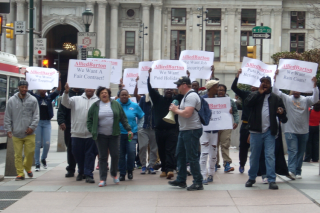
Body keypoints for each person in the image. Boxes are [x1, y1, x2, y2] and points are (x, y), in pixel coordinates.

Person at [273, 70, 319, 179]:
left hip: (304, 131)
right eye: (294, 89)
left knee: (300, 152)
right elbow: (276, 91)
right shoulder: (287, 99)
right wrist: (276, 79)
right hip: (290, 130)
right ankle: (291, 171)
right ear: (291, 90)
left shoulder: (306, 100)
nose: (296, 91)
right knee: (292, 151)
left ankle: (298, 171)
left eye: (299, 89)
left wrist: (314, 85)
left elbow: (315, 98)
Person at [245, 76, 287, 190]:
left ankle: (271, 180)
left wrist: (281, 112)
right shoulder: (255, 95)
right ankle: (252, 178)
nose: (265, 84)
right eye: (263, 82)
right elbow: (247, 104)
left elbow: (284, 117)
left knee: (270, 156)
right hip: (255, 131)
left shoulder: (276, 98)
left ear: (271, 84)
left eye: (267, 82)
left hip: (270, 132)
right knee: (254, 156)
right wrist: (258, 93)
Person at [87, 87, 133, 187]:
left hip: (114, 135)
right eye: (102, 93)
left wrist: (128, 129)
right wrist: (92, 130)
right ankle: (103, 179)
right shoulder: (95, 106)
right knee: (103, 157)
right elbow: (89, 120)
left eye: (106, 93)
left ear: (108, 94)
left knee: (116, 155)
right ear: (99, 95)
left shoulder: (116, 104)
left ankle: (114, 174)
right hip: (101, 136)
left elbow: (123, 118)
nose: (104, 94)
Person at [168, 76, 203, 191]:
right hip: (185, 130)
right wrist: (178, 109)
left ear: (184, 85)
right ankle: (181, 179)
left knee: (192, 157)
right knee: (180, 155)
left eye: (178, 85)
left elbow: (187, 113)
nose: (177, 87)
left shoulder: (191, 96)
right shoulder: (186, 96)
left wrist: (175, 110)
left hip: (191, 130)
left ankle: (198, 182)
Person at [147, 69, 183, 179]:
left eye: (170, 89)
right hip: (159, 131)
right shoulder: (158, 99)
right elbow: (151, 89)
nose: (168, 91)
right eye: (166, 89)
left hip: (172, 130)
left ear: (173, 91)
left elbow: (183, 92)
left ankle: (170, 169)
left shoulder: (176, 100)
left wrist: (186, 77)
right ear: (164, 91)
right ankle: (163, 169)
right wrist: (150, 76)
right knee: (161, 150)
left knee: (170, 150)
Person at [61, 83, 99, 183]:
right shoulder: (75, 99)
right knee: (77, 154)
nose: (89, 89)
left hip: (92, 134)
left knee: (90, 155)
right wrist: (66, 92)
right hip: (77, 133)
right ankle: (81, 171)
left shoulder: (99, 101)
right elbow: (65, 103)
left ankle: (89, 174)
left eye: (91, 87)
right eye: (87, 87)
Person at [4, 80, 39, 181]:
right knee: (17, 155)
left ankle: (27, 168)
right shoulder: (11, 100)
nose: (24, 89)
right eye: (22, 87)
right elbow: (7, 116)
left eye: (26, 87)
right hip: (16, 133)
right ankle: (20, 173)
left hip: (30, 133)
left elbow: (36, 115)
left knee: (30, 152)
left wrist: (32, 127)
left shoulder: (33, 100)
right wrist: (8, 129)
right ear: (18, 87)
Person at [27, 72, 61, 171]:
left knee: (47, 143)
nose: (43, 90)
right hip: (37, 122)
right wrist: (27, 77)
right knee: (37, 143)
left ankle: (43, 159)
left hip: (47, 122)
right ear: (38, 89)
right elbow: (29, 91)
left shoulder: (49, 98)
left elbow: (58, 90)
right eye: (41, 88)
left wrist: (58, 78)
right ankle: (37, 163)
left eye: (44, 88)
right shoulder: (35, 98)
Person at [231, 69, 258, 173]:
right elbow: (233, 88)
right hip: (246, 125)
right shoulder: (246, 94)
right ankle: (242, 164)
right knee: (243, 146)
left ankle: (255, 167)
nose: (253, 87)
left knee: (256, 147)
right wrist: (237, 76)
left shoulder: (262, 96)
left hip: (257, 125)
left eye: (255, 85)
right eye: (251, 85)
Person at [117, 89, 144, 181]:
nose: (124, 96)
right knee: (121, 154)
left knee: (131, 152)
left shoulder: (134, 105)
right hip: (119, 134)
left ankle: (130, 171)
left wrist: (138, 128)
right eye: (122, 95)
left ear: (128, 96)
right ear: (119, 96)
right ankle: (122, 173)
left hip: (131, 134)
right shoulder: (114, 105)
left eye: (126, 95)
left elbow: (141, 117)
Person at [57, 88, 83, 177]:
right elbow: (61, 109)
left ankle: (82, 168)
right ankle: (71, 169)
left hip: (81, 125)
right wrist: (61, 121)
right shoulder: (67, 94)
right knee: (70, 148)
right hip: (69, 126)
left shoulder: (84, 93)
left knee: (81, 148)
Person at [199, 80, 219, 184]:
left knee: (213, 153)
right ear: (210, 88)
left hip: (214, 131)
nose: (218, 89)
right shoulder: (202, 100)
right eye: (216, 87)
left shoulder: (219, 100)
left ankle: (211, 174)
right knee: (204, 153)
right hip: (205, 130)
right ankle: (202, 175)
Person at [216, 84, 239, 173]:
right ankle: (215, 163)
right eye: (219, 90)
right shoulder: (212, 100)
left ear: (225, 91)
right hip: (215, 126)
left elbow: (236, 112)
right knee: (214, 146)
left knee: (225, 144)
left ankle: (227, 164)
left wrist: (236, 121)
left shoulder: (230, 101)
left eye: (222, 90)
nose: (220, 91)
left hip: (226, 126)